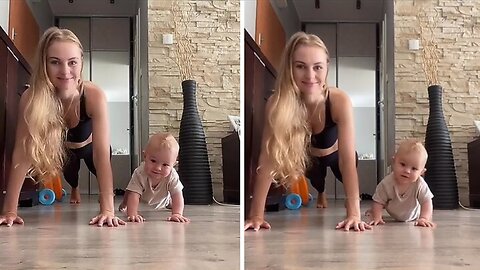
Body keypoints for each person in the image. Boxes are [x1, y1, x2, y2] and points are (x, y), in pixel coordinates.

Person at [244, 31, 371, 232]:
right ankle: (321, 192)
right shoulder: (278, 103)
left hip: (337, 154)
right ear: (290, 68)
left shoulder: (339, 100)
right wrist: (256, 215)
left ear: (327, 67)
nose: (310, 75)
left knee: (347, 170)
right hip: (310, 158)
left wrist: (354, 213)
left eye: (317, 67)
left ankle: (352, 205)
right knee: (317, 181)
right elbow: (267, 159)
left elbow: (346, 161)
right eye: (301, 66)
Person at [0, 27, 125, 227]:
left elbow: (101, 155)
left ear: (81, 62)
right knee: (70, 175)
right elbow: (21, 154)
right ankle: (75, 189)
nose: (65, 71)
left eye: (72, 62)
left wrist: (108, 210)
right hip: (66, 149)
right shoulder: (31, 97)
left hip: (91, 146)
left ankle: (109, 201)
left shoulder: (93, 96)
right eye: (55, 62)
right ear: (44, 64)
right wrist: (9, 211)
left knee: (99, 167)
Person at [118, 133, 189, 223]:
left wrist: (177, 213)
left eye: (165, 164)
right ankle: (124, 204)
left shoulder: (172, 175)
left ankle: (170, 205)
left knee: (172, 202)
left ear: (173, 165)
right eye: (153, 161)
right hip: (142, 199)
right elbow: (134, 195)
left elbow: (177, 195)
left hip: (164, 200)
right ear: (145, 156)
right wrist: (132, 214)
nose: (158, 168)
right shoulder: (140, 173)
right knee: (130, 192)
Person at [366, 139, 435, 227]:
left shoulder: (419, 184)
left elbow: (426, 201)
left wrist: (424, 218)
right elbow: (378, 201)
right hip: (393, 209)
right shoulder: (386, 184)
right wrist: (377, 217)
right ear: (394, 162)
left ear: (421, 172)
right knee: (379, 204)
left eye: (414, 169)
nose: (407, 171)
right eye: (402, 164)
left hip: (414, 215)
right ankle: (373, 212)